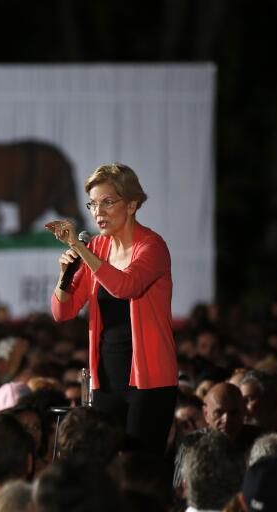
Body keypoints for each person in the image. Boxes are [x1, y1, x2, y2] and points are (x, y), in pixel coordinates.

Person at [48, 163, 177, 457]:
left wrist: (83, 252)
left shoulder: (152, 246)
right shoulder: (97, 248)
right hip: (106, 379)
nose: (98, 212)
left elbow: (126, 286)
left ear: (132, 204)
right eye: (93, 204)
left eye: (108, 202)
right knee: (104, 467)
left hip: (149, 381)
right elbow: (62, 312)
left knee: (139, 470)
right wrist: (64, 275)